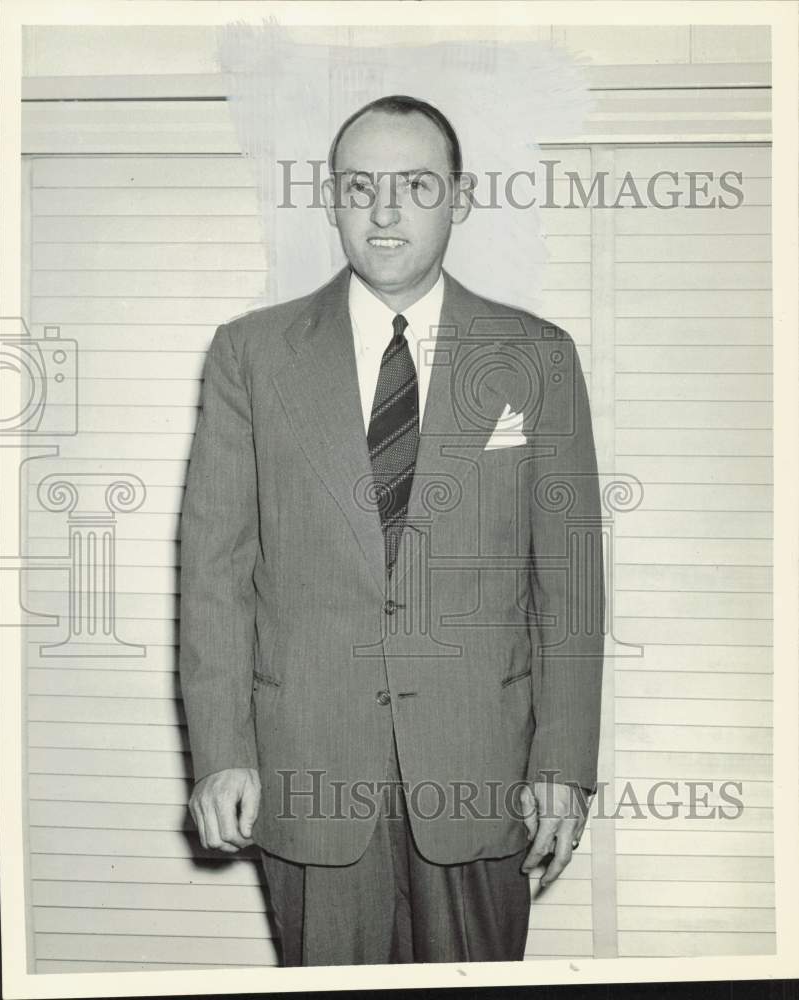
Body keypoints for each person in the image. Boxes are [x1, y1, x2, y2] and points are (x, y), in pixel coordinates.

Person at [179, 95, 604, 966]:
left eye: (414, 184)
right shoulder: (249, 356)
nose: (384, 210)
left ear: (459, 196)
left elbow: (567, 581)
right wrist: (222, 751)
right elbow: (215, 573)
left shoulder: (538, 356)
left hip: (483, 766)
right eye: (360, 185)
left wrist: (562, 762)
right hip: (309, 766)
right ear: (331, 198)